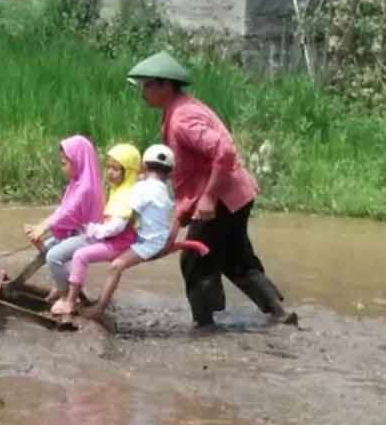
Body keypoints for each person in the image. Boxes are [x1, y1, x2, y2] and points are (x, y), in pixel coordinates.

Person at [127, 51, 296, 328]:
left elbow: (225, 150)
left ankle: (205, 324)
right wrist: (180, 218)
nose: (143, 92)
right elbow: (190, 172)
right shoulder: (180, 109)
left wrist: (207, 198)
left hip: (223, 199)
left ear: (165, 86)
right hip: (235, 195)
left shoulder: (182, 118)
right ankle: (279, 313)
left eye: (147, 85)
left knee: (195, 259)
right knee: (234, 257)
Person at [51, 145, 174, 318]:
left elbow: (119, 224)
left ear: (143, 168)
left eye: (115, 168)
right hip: (139, 237)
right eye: (108, 167)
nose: (109, 172)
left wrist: (94, 230)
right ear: (169, 174)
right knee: (70, 251)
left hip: (141, 242)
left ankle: (81, 304)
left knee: (110, 265)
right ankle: (67, 293)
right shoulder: (153, 187)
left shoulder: (136, 190)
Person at [23, 135, 104, 302]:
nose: (62, 168)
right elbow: (62, 209)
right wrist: (39, 226)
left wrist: (43, 227)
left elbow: (68, 212)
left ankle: (65, 296)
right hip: (77, 233)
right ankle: (61, 286)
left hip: (90, 235)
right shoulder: (76, 183)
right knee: (46, 248)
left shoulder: (86, 188)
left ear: (78, 161)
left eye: (64, 163)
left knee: (53, 256)